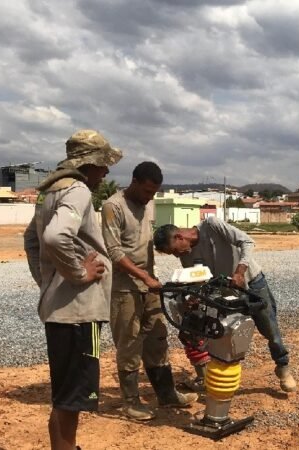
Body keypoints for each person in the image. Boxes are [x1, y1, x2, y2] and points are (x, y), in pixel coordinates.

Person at [24, 129, 122, 450]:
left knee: (64, 395)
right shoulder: (77, 190)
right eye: (103, 165)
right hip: (80, 314)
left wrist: (49, 283)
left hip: (60, 310)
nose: (106, 171)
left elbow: (32, 241)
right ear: (90, 164)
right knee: (72, 399)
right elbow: (54, 237)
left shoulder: (49, 191)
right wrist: (79, 274)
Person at [152, 218, 297, 393]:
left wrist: (240, 272)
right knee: (223, 334)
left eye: (174, 251)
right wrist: (194, 297)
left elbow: (247, 241)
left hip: (251, 283)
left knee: (270, 329)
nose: (177, 255)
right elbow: (196, 280)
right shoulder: (187, 255)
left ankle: (283, 368)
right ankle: (219, 377)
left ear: (179, 237)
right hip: (225, 293)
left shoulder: (211, 226)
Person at [101, 162, 197, 421]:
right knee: (130, 344)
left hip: (150, 285)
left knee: (157, 337)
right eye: (146, 191)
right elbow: (114, 252)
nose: (149, 197)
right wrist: (143, 275)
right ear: (133, 181)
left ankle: (166, 394)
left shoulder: (149, 204)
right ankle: (131, 402)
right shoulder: (113, 206)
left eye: (153, 193)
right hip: (124, 289)